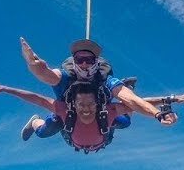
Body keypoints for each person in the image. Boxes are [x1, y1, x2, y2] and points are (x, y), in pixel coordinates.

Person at [0, 76, 184, 154]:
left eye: (90, 104)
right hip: (68, 130)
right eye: (81, 105)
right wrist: (6, 89)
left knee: (127, 117)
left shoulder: (107, 111)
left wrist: (170, 100)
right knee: (44, 131)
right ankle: (34, 122)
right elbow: (37, 99)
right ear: (74, 105)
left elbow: (139, 103)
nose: (86, 109)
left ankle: (125, 88)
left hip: (103, 133)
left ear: (98, 103)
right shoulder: (66, 110)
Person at [20, 37, 171, 126]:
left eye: (89, 59)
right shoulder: (66, 76)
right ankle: (35, 122)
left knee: (124, 122)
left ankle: (127, 86)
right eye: (79, 60)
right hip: (68, 113)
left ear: (96, 62)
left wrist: (158, 114)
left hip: (99, 114)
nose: (84, 64)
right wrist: (34, 65)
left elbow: (131, 100)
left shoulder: (105, 79)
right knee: (47, 130)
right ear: (74, 62)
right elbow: (47, 75)